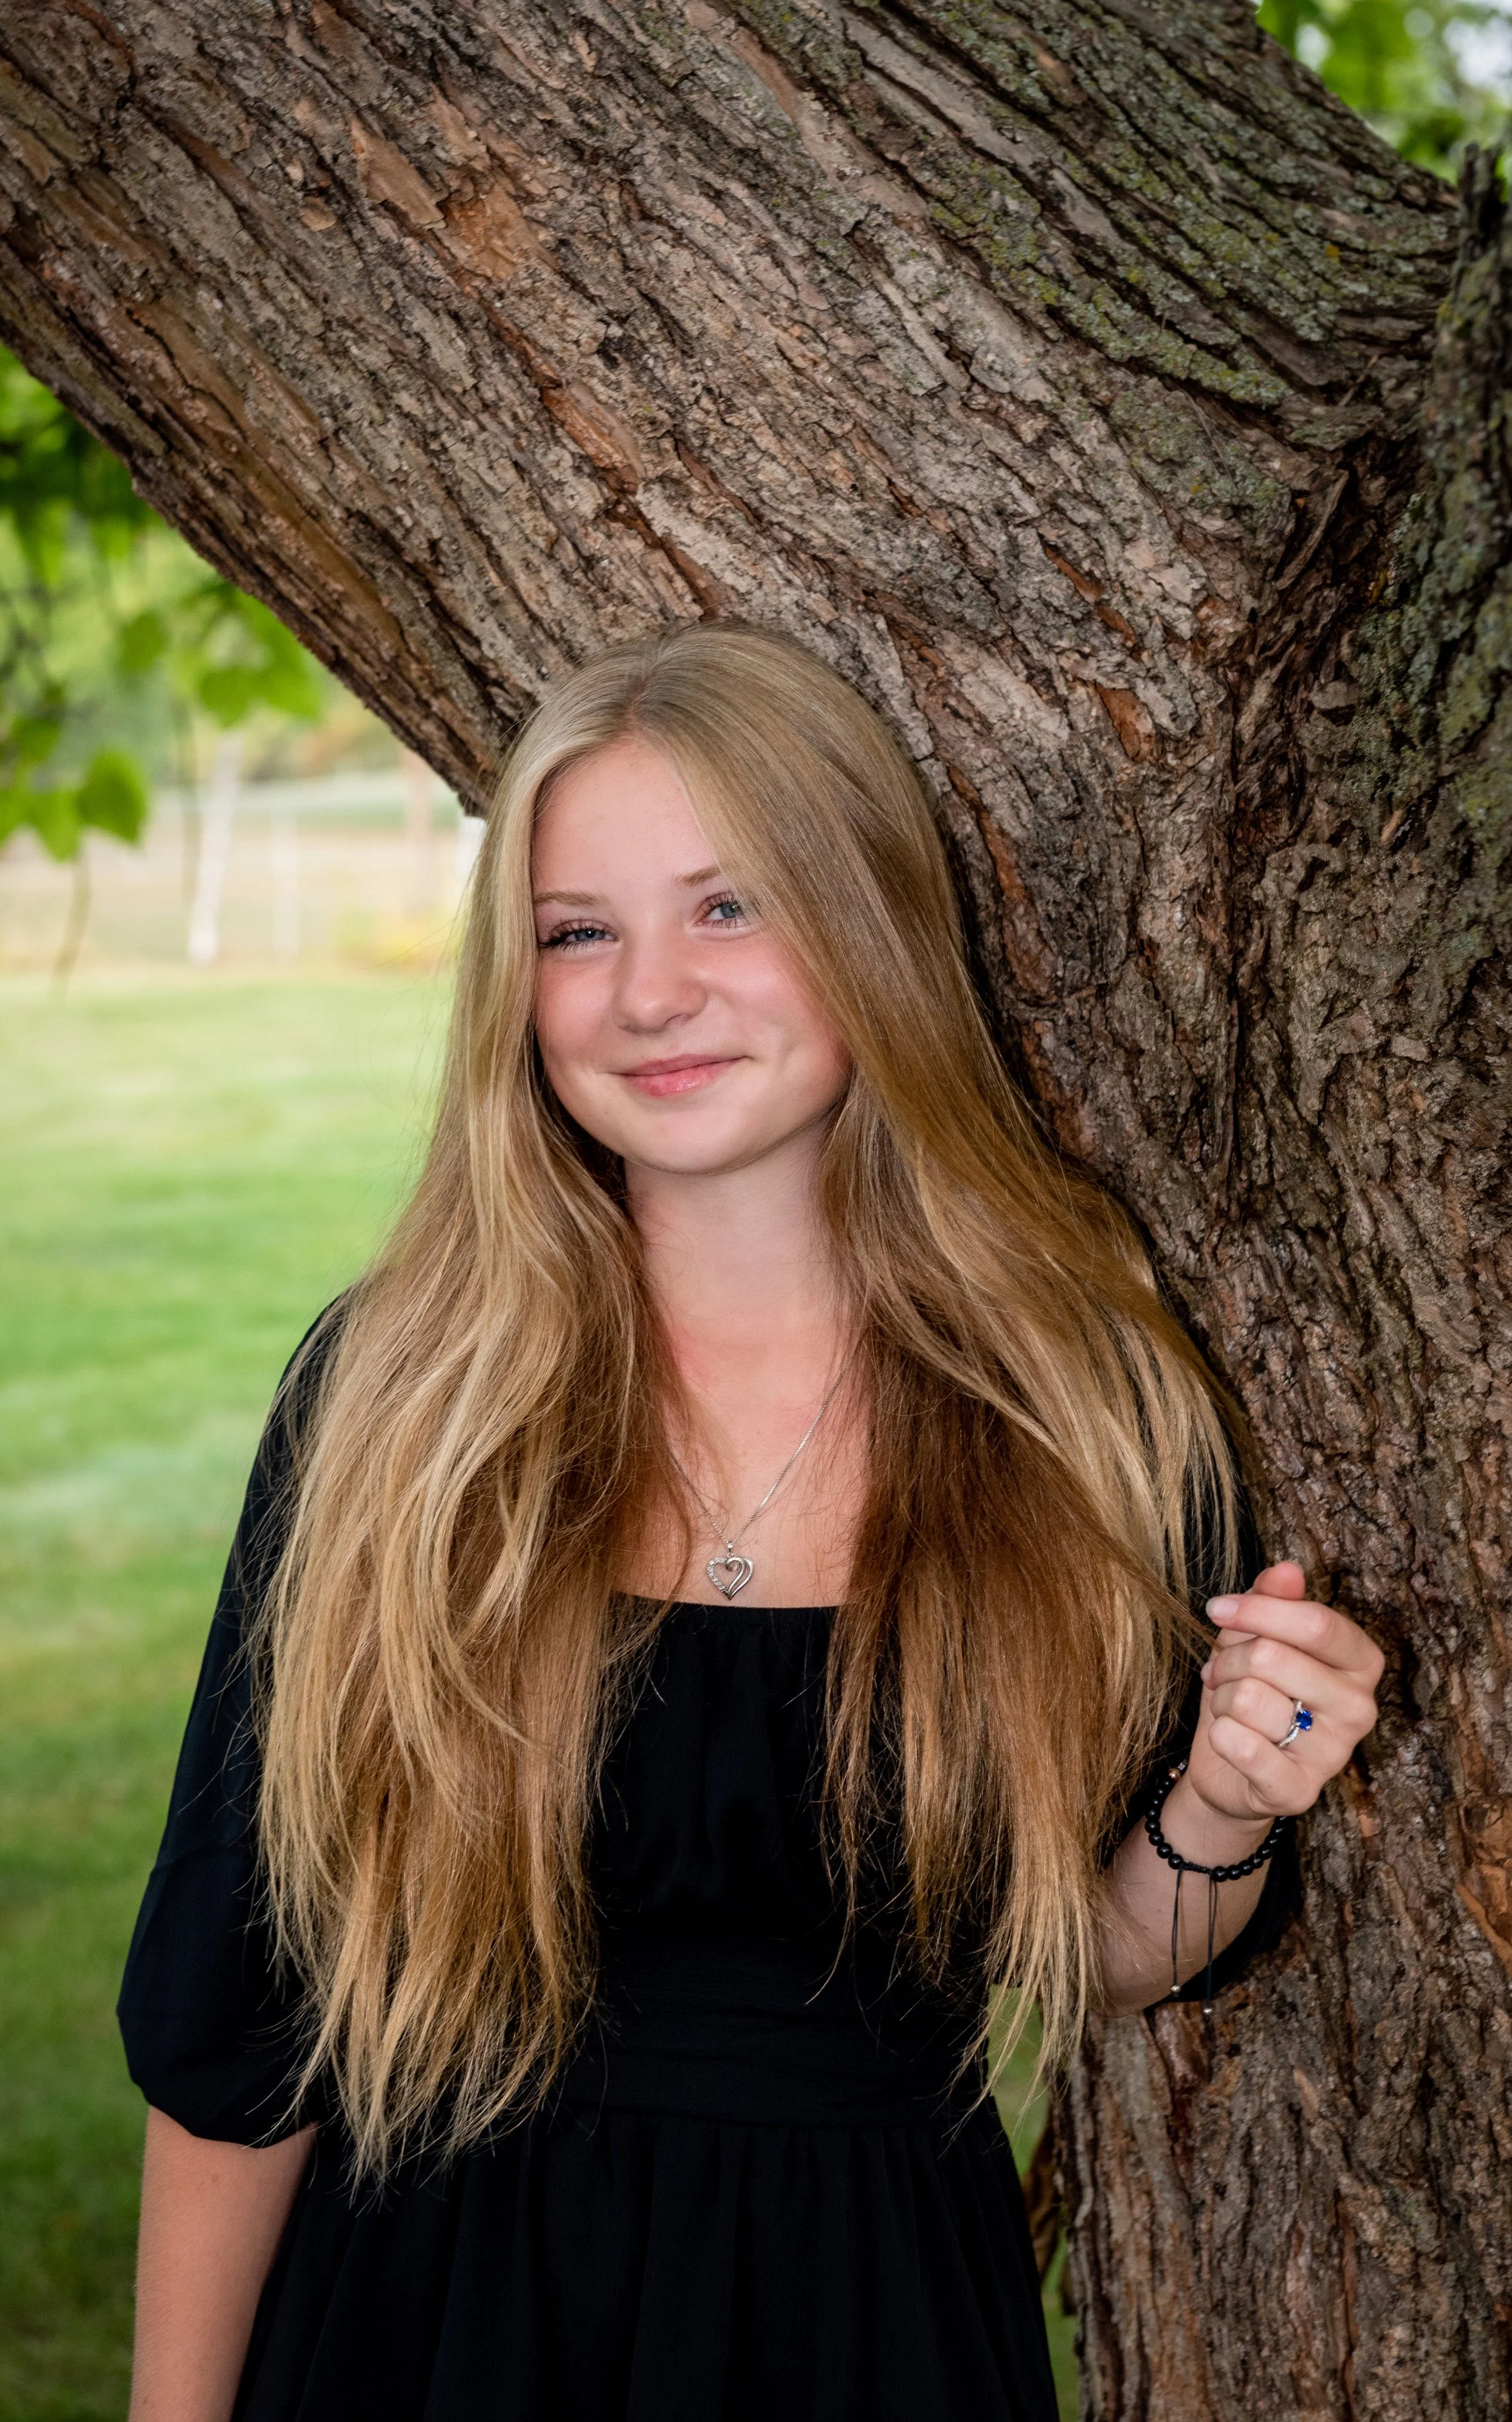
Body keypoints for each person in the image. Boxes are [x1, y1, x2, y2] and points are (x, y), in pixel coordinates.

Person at [120, 623, 1384, 2422]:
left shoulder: (1085, 1403)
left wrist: (1221, 1805)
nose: (648, 995)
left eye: (729, 909)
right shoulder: (398, 1398)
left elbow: (1098, 1955)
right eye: (578, 931)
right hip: (425, 2321)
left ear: (868, 930)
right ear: (518, 987)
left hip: (865, 2323)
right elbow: (237, 2022)